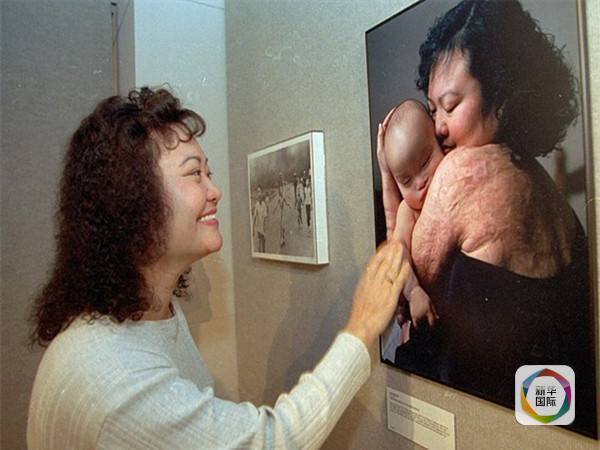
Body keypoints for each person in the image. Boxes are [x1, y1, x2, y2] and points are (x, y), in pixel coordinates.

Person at [27, 87, 411, 449]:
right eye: (194, 174)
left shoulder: (153, 316)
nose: (215, 191)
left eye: (207, 173)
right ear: (133, 200)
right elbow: (272, 441)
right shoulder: (112, 378)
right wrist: (362, 326)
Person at [379, 0, 595, 433]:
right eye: (433, 109)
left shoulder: (461, 171)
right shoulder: (549, 191)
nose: (438, 126)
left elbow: (400, 288)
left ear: (501, 97)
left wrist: (388, 174)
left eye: (451, 105)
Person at [252, 186, 268, 252]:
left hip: (263, 227)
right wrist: (253, 229)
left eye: (260, 191)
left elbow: (265, 217)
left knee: (263, 243)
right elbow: (254, 217)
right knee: (259, 243)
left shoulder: (264, 205)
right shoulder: (256, 205)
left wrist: (265, 228)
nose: (259, 194)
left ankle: (263, 253)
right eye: (258, 192)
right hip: (258, 227)